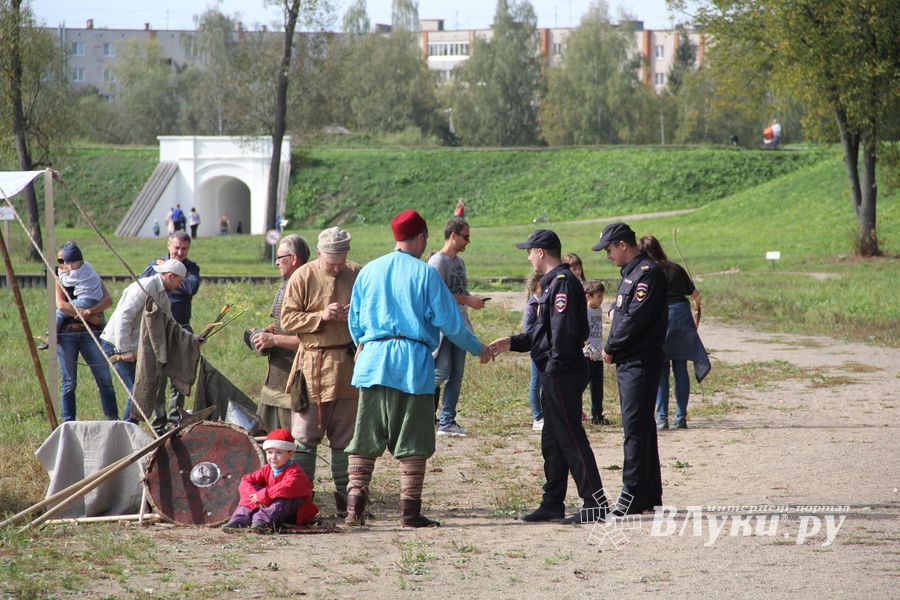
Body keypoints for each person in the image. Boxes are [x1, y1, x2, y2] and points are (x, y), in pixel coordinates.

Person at [344, 209, 493, 528]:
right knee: (413, 438)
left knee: (366, 436)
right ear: (423, 237)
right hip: (411, 364)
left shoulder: (369, 270)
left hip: (372, 362)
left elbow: (354, 322)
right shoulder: (425, 274)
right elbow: (450, 323)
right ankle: (409, 513)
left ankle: (354, 508)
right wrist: (478, 348)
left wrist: (367, 345)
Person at [490, 229, 606, 525]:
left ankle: (595, 502)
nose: (528, 257)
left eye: (529, 251)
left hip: (562, 372)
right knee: (553, 442)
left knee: (570, 438)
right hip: (555, 371)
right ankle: (552, 502)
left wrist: (552, 371)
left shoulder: (563, 284)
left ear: (541, 252)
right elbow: (540, 334)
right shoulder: (552, 283)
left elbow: (565, 335)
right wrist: (510, 342)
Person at [280, 227, 360, 517]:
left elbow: (375, 312)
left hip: (348, 366)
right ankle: (302, 502)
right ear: (318, 254)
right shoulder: (303, 276)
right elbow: (288, 319)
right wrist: (321, 316)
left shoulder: (358, 274)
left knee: (345, 438)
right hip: (312, 364)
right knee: (304, 437)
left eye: (341, 261)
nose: (336, 268)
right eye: (330, 262)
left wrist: (357, 314)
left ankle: (346, 503)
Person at [593, 222, 666, 515]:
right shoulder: (631, 274)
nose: (608, 255)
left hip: (640, 360)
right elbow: (620, 311)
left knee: (634, 428)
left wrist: (611, 347)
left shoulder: (647, 273)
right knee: (642, 427)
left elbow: (633, 319)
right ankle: (649, 494)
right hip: (632, 360)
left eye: (609, 249)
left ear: (623, 245)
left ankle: (632, 494)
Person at [101, 259, 187, 423]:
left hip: (130, 348)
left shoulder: (162, 294)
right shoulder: (146, 287)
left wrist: (192, 339)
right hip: (116, 345)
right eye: (179, 281)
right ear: (170, 276)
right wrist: (123, 349)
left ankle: (129, 430)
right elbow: (124, 316)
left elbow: (171, 323)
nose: (180, 285)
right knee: (137, 392)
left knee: (142, 391)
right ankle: (126, 431)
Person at [637, 235, 708, 430]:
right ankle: (681, 417)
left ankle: (661, 418)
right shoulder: (675, 268)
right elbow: (696, 296)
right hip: (682, 318)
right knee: (681, 368)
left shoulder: (646, 270)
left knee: (660, 369)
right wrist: (696, 313)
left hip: (661, 318)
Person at [138, 231, 201, 433]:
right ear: (169, 246)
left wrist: (169, 278)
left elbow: (191, 286)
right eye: (176, 248)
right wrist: (165, 273)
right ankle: (158, 422)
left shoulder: (192, 268)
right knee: (157, 375)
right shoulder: (155, 265)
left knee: (179, 374)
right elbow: (141, 285)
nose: (180, 252)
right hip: (157, 327)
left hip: (181, 325)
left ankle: (176, 420)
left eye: (184, 249)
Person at [428, 218, 486, 437]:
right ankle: (423, 414)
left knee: (457, 374)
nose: (468, 242)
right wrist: (466, 300)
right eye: (465, 237)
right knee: (441, 371)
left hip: (460, 326)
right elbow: (437, 297)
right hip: (443, 329)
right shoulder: (437, 262)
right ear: (453, 235)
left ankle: (447, 421)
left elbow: (461, 291)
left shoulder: (459, 263)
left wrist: (472, 299)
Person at [251, 234, 310, 432]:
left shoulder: (307, 287)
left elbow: (311, 340)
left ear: (293, 258)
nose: (276, 262)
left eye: (280, 257)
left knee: (290, 444)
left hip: (293, 382)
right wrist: (264, 333)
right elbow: (281, 324)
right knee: (267, 441)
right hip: (275, 380)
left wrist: (274, 339)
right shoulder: (285, 285)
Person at [54, 245, 119, 422]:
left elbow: (107, 300)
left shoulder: (89, 274)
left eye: (66, 261)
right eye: (60, 261)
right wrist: (89, 317)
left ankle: (112, 420)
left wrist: (89, 312)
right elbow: (61, 305)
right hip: (67, 335)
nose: (63, 265)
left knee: (104, 379)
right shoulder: (59, 279)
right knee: (69, 382)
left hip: (91, 334)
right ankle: (69, 423)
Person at [221, 428, 318, 533]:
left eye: (279, 453)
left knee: (285, 498)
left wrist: (264, 495)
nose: (273, 457)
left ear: (290, 454)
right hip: (270, 506)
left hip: (293, 512)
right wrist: (254, 495)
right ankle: (240, 519)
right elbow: (246, 480)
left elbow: (289, 486)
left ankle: (261, 521)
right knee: (254, 488)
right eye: (270, 452)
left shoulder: (295, 471)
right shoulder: (267, 469)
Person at [55, 242, 104, 335]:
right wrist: (88, 316)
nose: (68, 266)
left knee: (59, 313)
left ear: (79, 260)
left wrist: (61, 273)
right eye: (63, 262)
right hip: (95, 301)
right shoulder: (88, 266)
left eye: (71, 264)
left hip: (85, 300)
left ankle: (52, 334)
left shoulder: (77, 272)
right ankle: (103, 333)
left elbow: (66, 282)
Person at [584, 279, 609, 425]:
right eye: (599, 296)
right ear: (588, 296)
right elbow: (582, 333)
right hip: (587, 355)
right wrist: (588, 348)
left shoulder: (598, 310)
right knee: (581, 385)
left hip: (598, 354)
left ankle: (597, 415)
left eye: (602, 296)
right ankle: (574, 413)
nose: (602, 299)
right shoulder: (584, 311)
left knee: (597, 387)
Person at [523, 270, 543, 431]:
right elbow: (528, 330)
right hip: (537, 349)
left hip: (548, 349)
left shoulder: (544, 302)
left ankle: (545, 414)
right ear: (538, 286)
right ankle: (537, 417)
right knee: (536, 383)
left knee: (545, 382)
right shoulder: (532, 305)